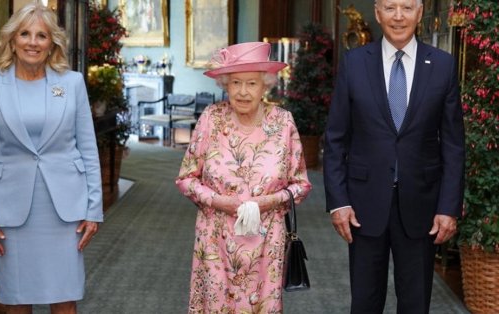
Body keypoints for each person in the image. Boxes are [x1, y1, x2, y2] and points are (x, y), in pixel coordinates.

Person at [323, 0, 465, 313]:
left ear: (420, 12)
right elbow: (335, 139)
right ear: (377, 12)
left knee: (415, 304)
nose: (398, 16)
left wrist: (448, 207)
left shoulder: (442, 64)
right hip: (363, 204)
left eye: (406, 7)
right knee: (365, 302)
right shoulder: (354, 62)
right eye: (390, 7)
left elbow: (453, 144)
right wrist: (339, 201)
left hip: (423, 206)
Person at [0, 3, 103, 313]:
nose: (33, 42)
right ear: (12, 40)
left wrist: (93, 208)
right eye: (25, 34)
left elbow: (88, 149)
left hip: (64, 211)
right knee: (17, 300)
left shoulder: (71, 83)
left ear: (52, 42)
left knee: (64, 299)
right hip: (11, 213)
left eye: (41, 35)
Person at [176, 42, 312, 313]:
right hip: (215, 240)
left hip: (266, 244)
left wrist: (267, 201)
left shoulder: (283, 122)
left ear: (266, 86)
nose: (243, 91)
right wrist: (218, 201)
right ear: (225, 85)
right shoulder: (211, 119)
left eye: (251, 83)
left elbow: (301, 185)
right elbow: (186, 179)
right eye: (236, 82)